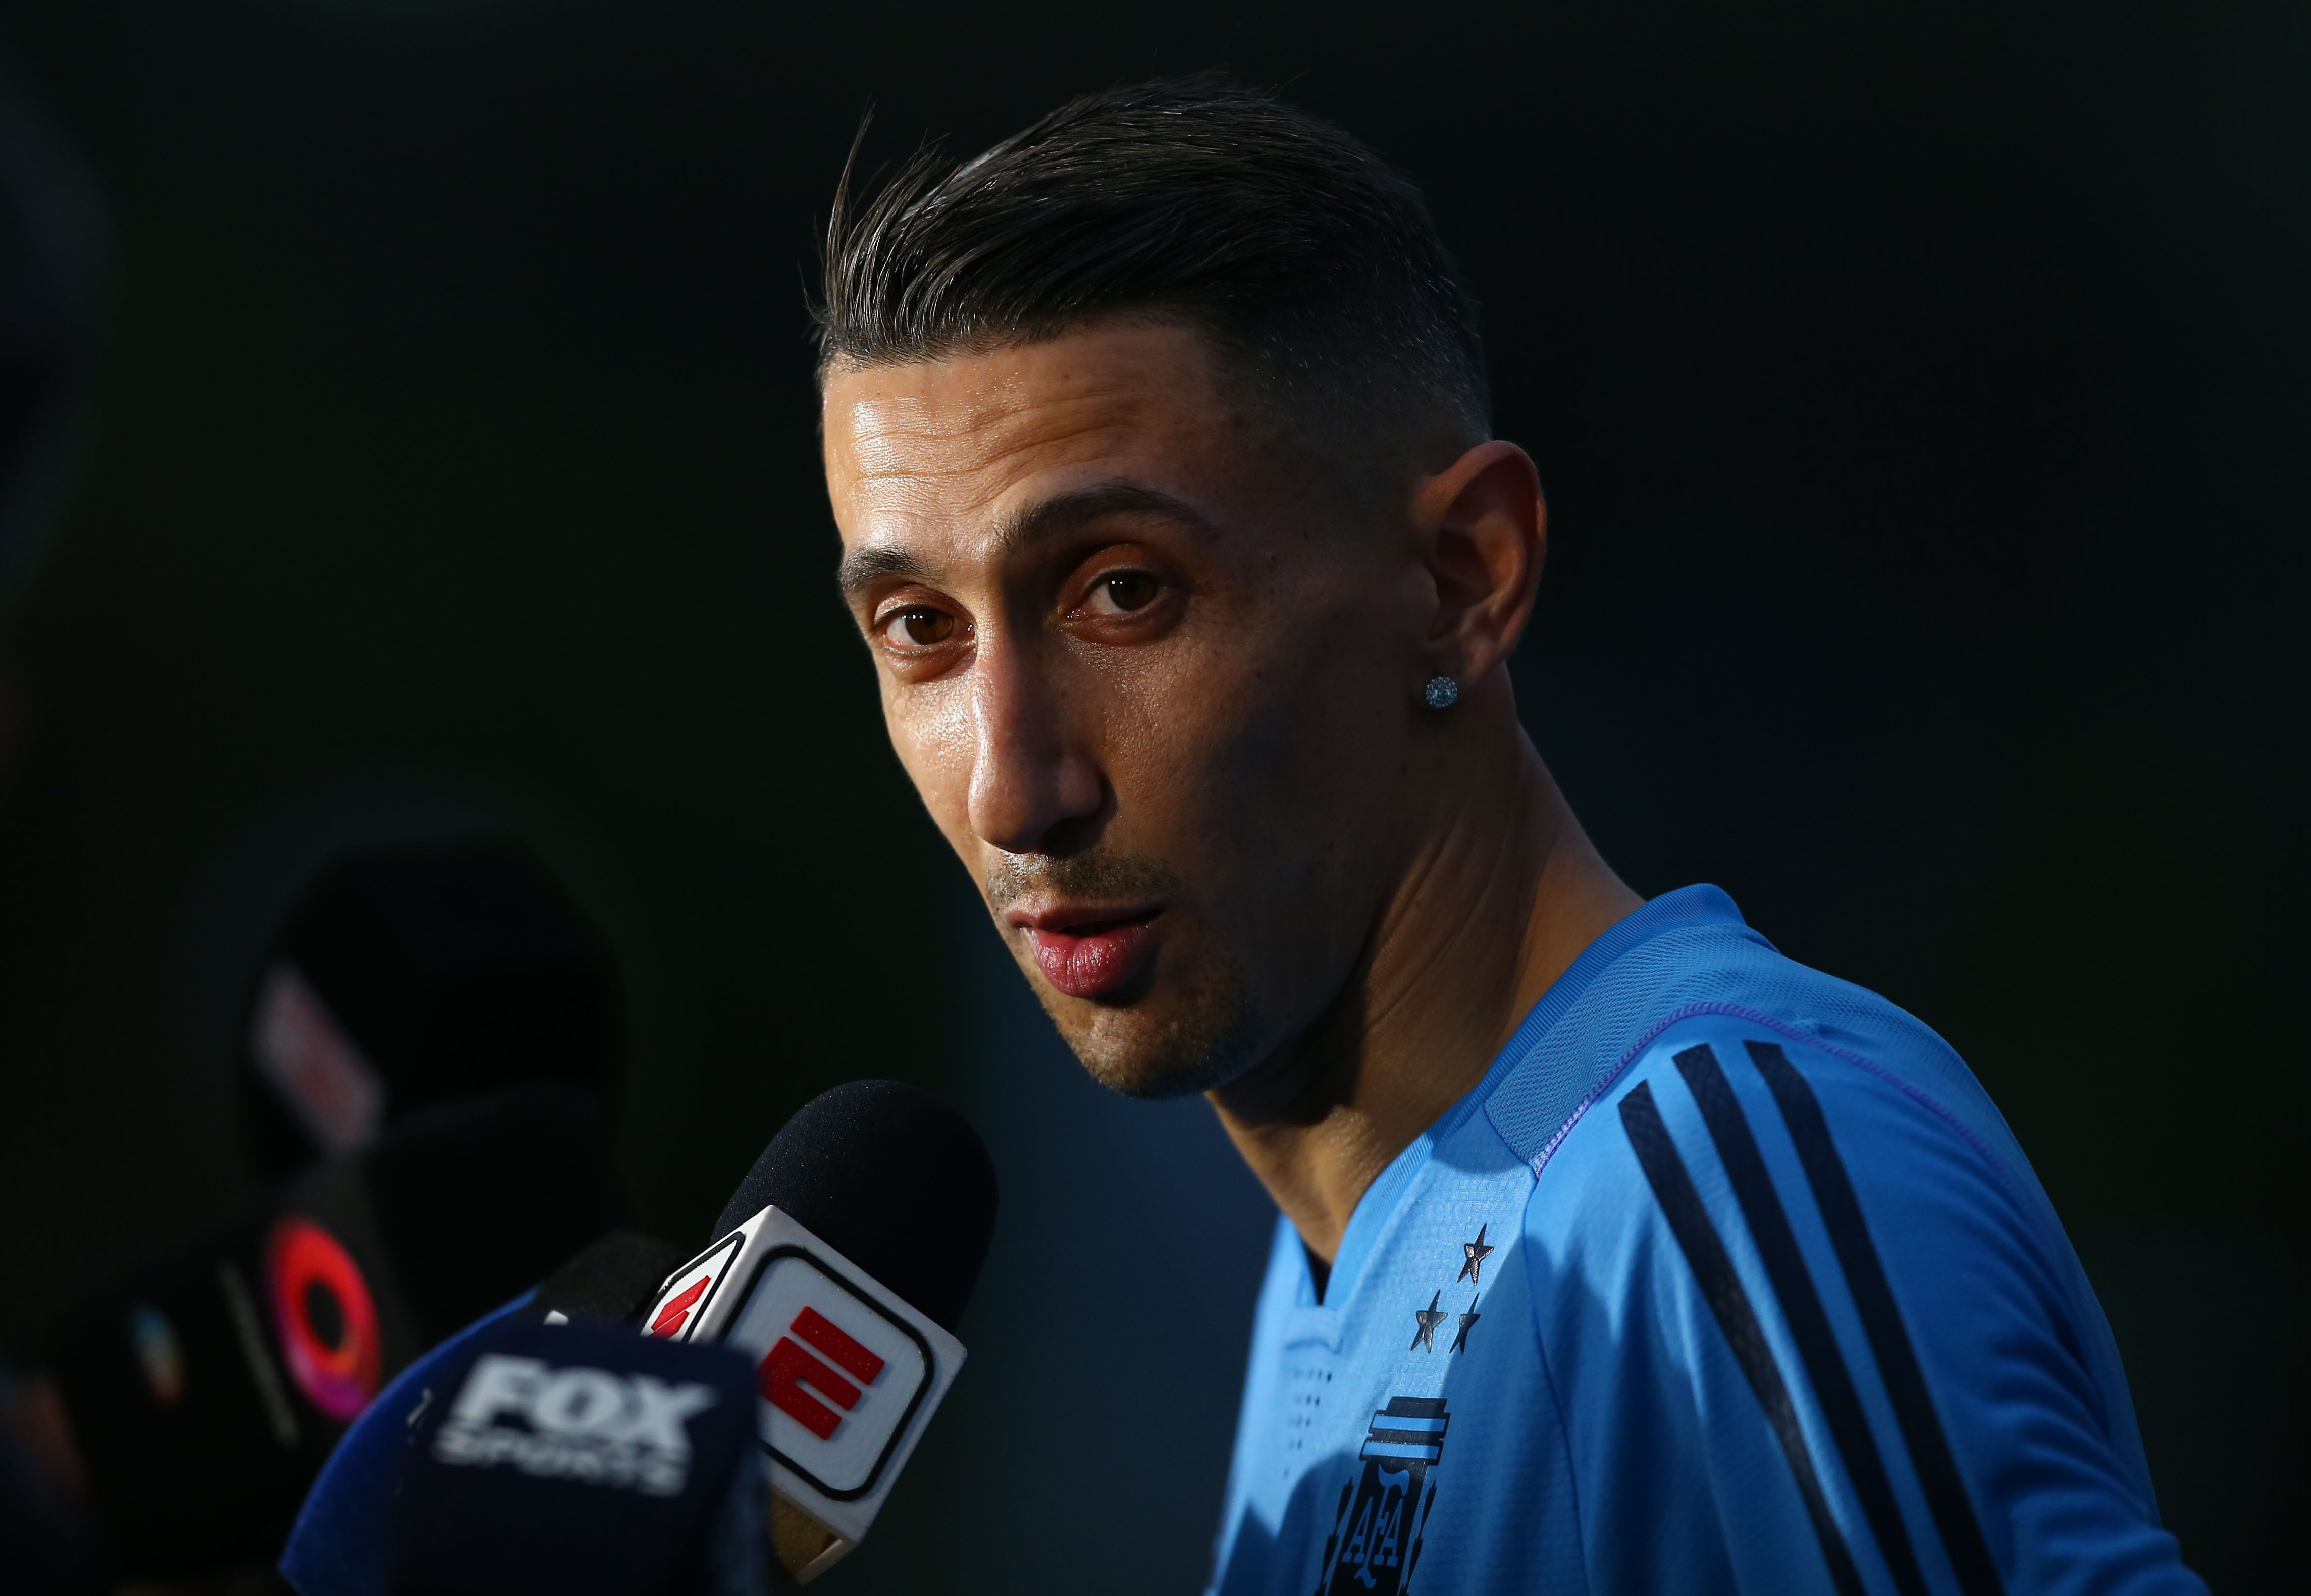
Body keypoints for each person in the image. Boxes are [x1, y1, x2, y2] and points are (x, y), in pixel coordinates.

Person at [816, 79, 2202, 1594]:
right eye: (919, 629)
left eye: (1125, 591)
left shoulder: (1708, 1173)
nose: (1015, 788)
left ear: (1466, 577)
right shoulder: (1348, 1256)